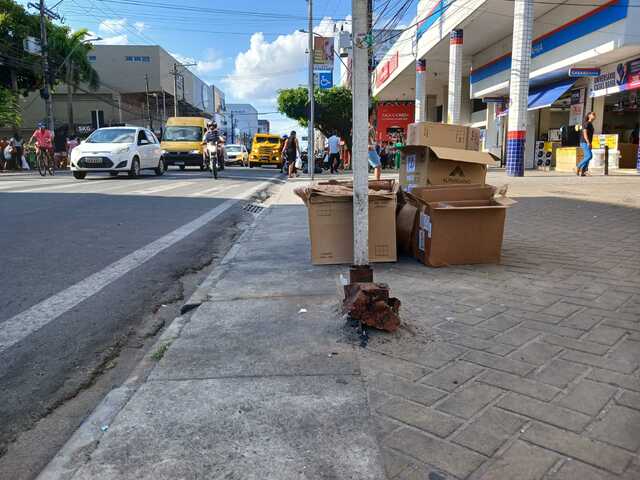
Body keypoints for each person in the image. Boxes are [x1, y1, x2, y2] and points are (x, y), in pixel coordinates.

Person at [577, 112, 596, 177]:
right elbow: (585, 134)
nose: (594, 116)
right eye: (593, 114)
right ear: (589, 116)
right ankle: (578, 166)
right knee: (589, 156)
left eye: (595, 114)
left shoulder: (590, 124)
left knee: (586, 157)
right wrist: (588, 142)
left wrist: (590, 143)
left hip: (587, 142)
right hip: (584, 142)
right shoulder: (586, 123)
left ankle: (583, 172)